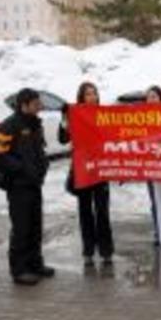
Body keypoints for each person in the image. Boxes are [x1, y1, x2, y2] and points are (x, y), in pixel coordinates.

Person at [0, 88, 53, 286]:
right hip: (18, 186)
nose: (40, 106)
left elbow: (38, 150)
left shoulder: (35, 124)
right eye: (36, 104)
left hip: (34, 184)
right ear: (24, 105)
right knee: (22, 228)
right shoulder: (9, 125)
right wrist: (22, 169)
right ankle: (19, 270)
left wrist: (42, 167)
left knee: (35, 226)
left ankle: (35, 264)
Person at [59, 82, 114, 268]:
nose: (92, 97)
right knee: (85, 212)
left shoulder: (105, 115)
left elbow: (116, 135)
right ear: (81, 97)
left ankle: (106, 251)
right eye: (88, 94)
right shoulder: (76, 115)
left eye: (94, 93)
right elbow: (62, 138)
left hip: (100, 169)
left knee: (102, 212)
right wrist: (65, 117)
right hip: (82, 170)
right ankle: (88, 251)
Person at [144, 86, 161, 246]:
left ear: (160, 99)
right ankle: (158, 232)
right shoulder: (141, 116)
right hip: (150, 165)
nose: (151, 99)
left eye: (154, 96)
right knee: (154, 199)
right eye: (149, 97)